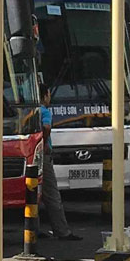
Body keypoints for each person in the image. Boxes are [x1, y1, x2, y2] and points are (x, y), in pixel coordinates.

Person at [35, 86, 79, 241]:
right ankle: (62, 231)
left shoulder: (30, 110)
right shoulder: (45, 111)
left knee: (33, 193)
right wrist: (45, 142)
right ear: (45, 95)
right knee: (52, 194)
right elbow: (46, 127)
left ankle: (33, 229)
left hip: (31, 154)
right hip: (44, 156)